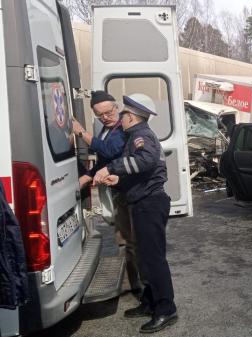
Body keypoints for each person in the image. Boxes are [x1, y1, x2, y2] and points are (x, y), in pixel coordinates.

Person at [94, 94, 177, 333]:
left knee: (154, 259)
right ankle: (150, 302)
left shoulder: (141, 136)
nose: (120, 118)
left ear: (130, 116)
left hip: (150, 204)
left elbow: (146, 161)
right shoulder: (135, 135)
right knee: (146, 257)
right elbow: (140, 170)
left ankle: (166, 309)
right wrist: (118, 177)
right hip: (143, 202)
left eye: (122, 115)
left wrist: (111, 167)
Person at [71, 91, 142, 295]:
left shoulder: (123, 129)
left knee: (133, 240)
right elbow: (104, 160)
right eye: (100, 115)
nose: (106, 117)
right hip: (118, 192)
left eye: (108, 112)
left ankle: (140, 284)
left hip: (130, 191)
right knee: (122, 238)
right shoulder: (105, 129)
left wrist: (82, 133)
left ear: (116, 108)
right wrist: (87, 177)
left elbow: (111, 151)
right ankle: (131, 281)